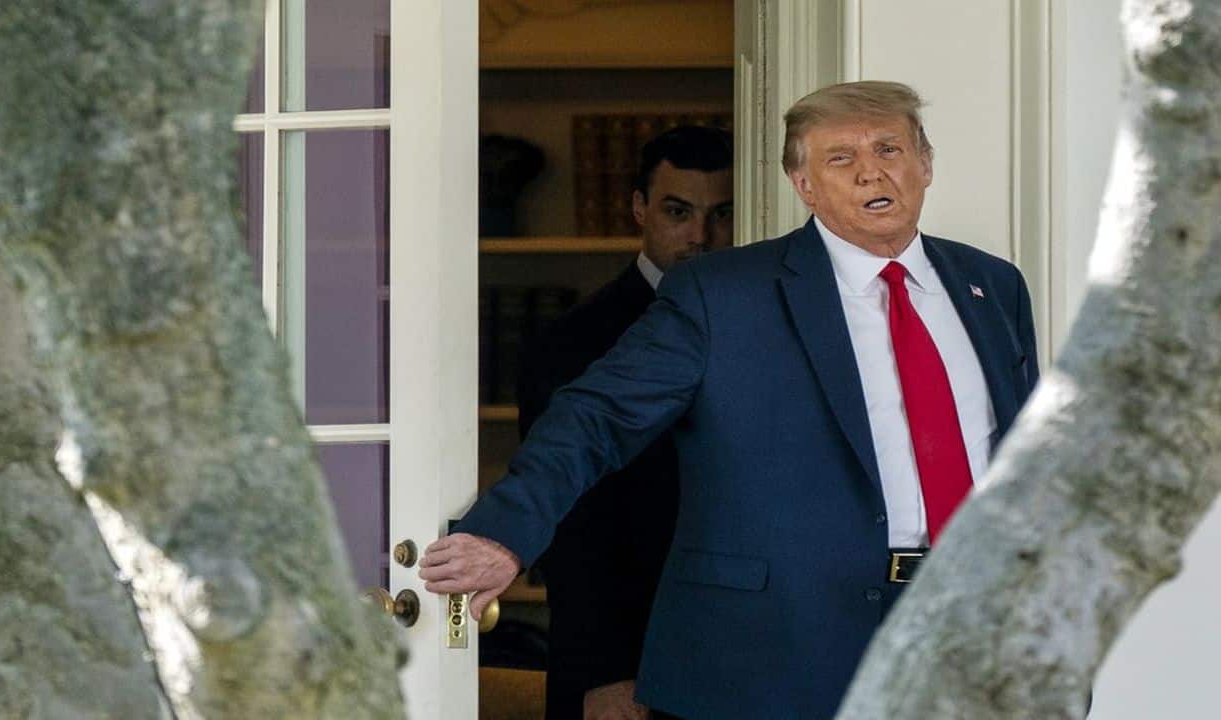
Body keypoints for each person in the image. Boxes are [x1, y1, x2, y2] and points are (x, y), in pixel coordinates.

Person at [421, 81, 1040, 719]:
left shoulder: (990, 286)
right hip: (780, 651)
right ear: (802, 184)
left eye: (889, 148)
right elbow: (596, 417)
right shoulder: (721, 294)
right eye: (839, 159)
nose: (870, 172)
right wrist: (505, 534)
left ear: (925, 164)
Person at [516, 126, 733, 720]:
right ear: (639, 208)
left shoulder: (766, 322)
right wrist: (604, 671)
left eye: (720, 213)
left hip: (742, 655)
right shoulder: (571, 341)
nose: (700, 235)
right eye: (677, 211)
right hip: (624, 659)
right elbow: (570, 520)